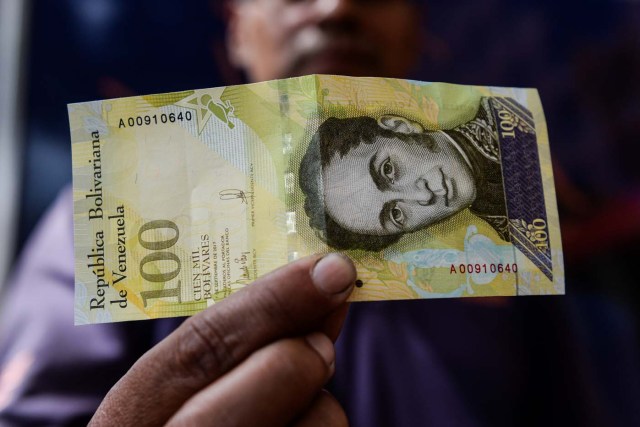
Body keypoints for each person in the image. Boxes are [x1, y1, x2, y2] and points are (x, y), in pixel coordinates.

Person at [1, 0, 638, 426]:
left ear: (415, 31)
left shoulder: (522, 248)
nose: (336, 6)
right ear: (237, 29)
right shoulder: (117, 206)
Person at [299, 97, 509, 251]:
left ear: (400, 127)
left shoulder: (507, 108)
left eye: (388, 170)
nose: (423, 197)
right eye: (395, 214)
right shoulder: (515, 233)